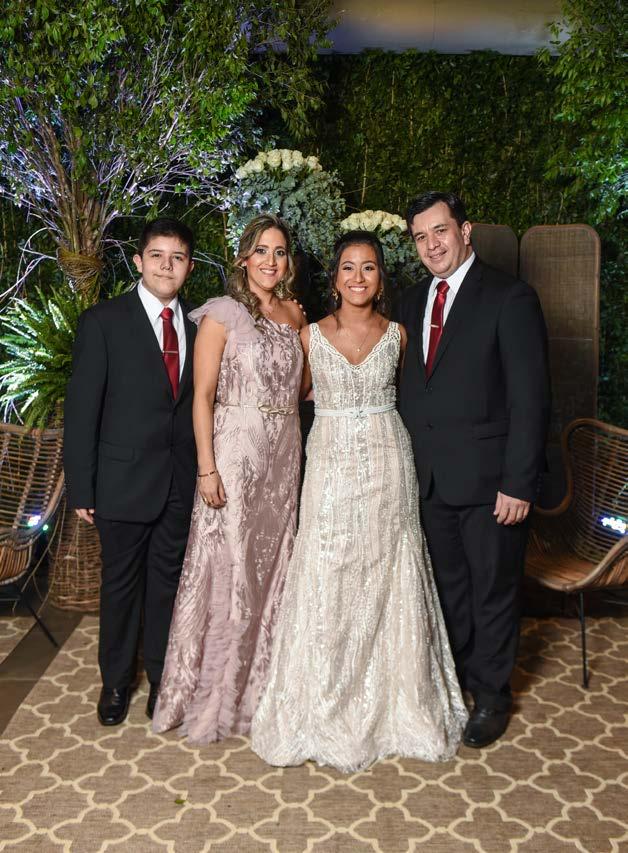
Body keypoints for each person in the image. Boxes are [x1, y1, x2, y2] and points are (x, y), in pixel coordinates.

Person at [251, 231, 468, 774]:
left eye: (368, 267)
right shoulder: (308, 335)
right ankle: (324, 701)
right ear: (334, 279)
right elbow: (291, 396)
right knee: (328, 567)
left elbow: (422, 398)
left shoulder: (400, 334)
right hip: (329, 464)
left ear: (380, 277)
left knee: (389, 568)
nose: (357, 277)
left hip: (389, 460)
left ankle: (400, 703)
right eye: (348, 267)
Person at [395, 191, 551, 748]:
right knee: (449, 589)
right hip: (430, 477)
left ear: (465, 231)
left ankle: (492, 696)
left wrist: (519, 482)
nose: (431, 245)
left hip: (491, 483)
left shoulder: (510, 297)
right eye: (420, 237)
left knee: (493, 590)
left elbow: (531, 399)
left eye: (440, 231)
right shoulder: (411, 300)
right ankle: (458, 680)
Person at [153, 213, 306, 744]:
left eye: (279, 252)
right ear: (243, 258)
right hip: (235, 453)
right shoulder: (222, 313)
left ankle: (262, 686)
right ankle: (219, 691)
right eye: (261, 250)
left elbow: (303, 388)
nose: (270, 261)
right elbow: (201, 397)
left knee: (274, 567)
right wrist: (207, 466)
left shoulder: (295, 313)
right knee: (233, 568)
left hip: (284, 455)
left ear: (288, 262)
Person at [64, 218, 198, 726]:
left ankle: (161, 679)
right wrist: (83, 486)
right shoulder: (103, 322)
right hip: (120, 483)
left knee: (168, 586)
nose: (167, 265)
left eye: (177, 257)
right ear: (139, 261)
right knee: (120, 587)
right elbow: (82, 411)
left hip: (178, 482)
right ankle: (116, 682)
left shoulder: (196, 328)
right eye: (157, 255)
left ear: (188, 267)